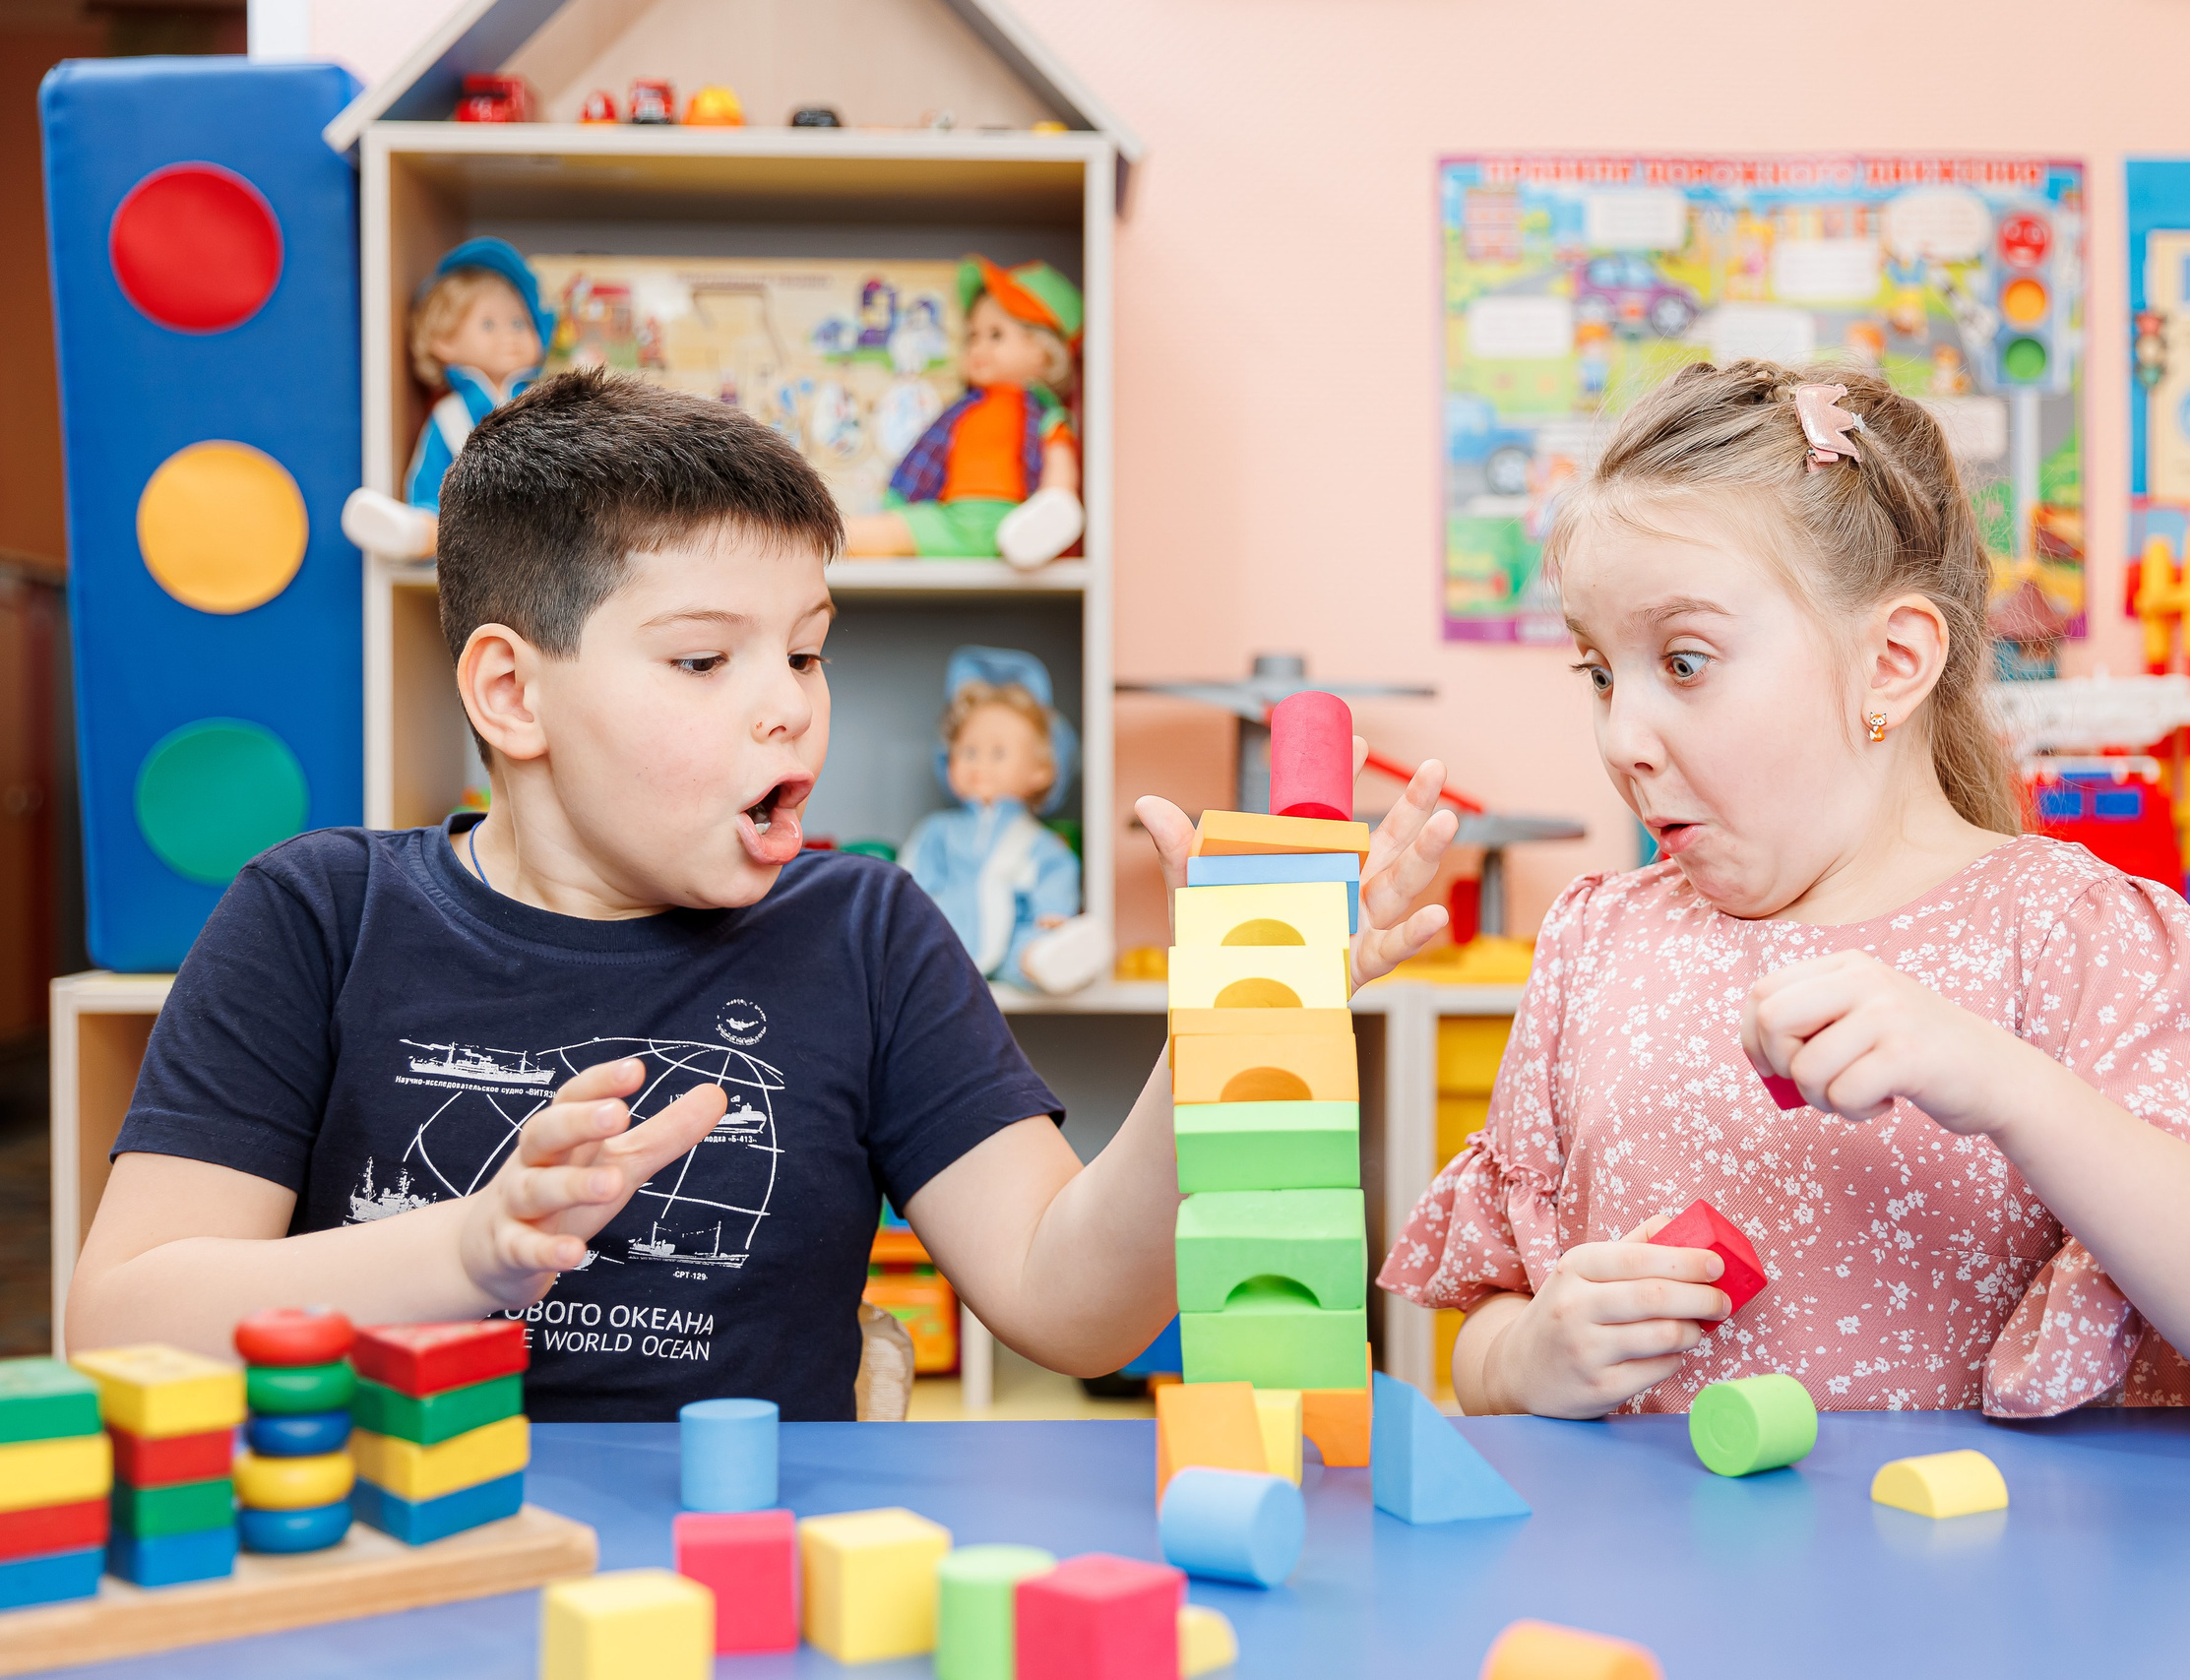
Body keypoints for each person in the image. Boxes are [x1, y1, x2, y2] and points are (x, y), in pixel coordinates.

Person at [67, 370, 1460, 1419]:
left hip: (760, 1591)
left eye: (806, 652)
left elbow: (1073, 1302)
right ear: (512, 689)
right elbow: (120, 1320)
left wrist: (1234, 1016)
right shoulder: (318, 915)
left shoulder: (864, 927)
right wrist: (473, 1244)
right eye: (701, 661)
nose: (790, 709)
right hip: (407, 1574)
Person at [1380, 361, 2190, 1421]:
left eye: (1683, 663)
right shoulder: (1596, 945)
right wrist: (1528, 1360)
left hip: (2001, 1580)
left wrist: (2014, 1089)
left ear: (1891, 661)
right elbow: (1488, 1327)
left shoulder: (2069, 932)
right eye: (1600, 673)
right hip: (1665, 1580)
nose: (1622, 738)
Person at [843, 257, 1086, 569]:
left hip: (1012, 520)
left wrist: (1058, 496)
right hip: (951, 519)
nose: (978, 348)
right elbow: (928, 456)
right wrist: (896, 502)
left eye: (996, 335)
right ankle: (826, 539)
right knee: (883, 531)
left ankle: (1038, 533)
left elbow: (1059, 461)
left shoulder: (1045, 415)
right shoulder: (961, 411)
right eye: (973, 336)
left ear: (1044, 352)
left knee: (1037, 521)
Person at [901, 646, 1111, 994]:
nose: (980, 764)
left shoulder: (1039, 844)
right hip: (943, 939)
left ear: (1042, 770)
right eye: (968, 752)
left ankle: (1048, 959)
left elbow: (1054, 876)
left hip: (1013, 934)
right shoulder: (938, 832)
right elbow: (912, 881)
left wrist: (1054, 913)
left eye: (998, 753)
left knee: (1028, 946)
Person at [341, 237, 550, 562]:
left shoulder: (544, 402)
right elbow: (428, 477)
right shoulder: (450, 415)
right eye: (488, 324)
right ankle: (414, 535)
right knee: (435, 520)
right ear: (444, 341)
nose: (509, 335)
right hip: (472, 530)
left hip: (539, 528)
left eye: (519, 323)